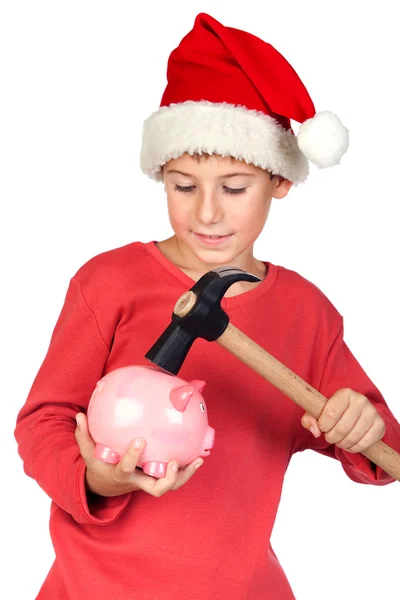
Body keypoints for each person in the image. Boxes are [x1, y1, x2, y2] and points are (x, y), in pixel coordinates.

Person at [14, 12, 400, 600]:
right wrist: (93, 476)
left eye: (235, 186)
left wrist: (362, 422)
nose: (208, 213)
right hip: (94, 588)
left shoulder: (305, 313)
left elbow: (382, 450)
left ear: (280, 181)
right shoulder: (109, 283)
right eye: (184, 185)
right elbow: (42, 422)